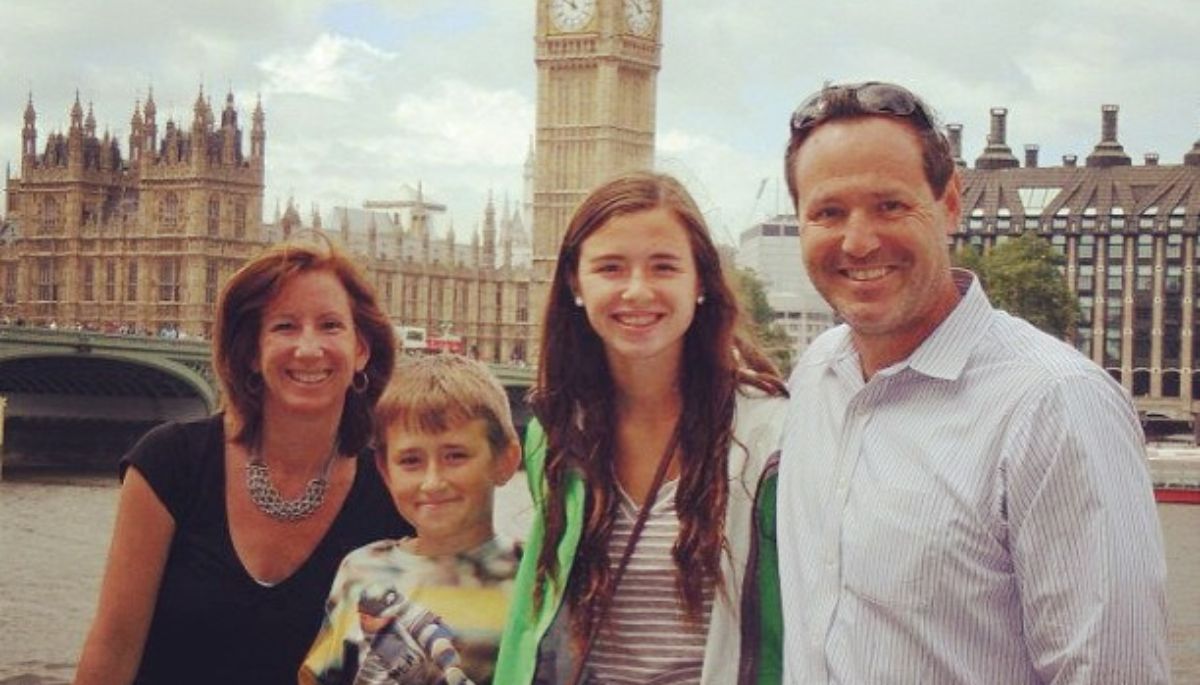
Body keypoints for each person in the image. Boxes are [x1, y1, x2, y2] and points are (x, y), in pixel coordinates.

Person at [777, 81, 1170, 683]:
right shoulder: (815, 376)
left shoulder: (1054, 403)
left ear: (950, 203)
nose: (858, 241)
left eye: (890, 205)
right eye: (828, 212)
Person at [75, 236, 413, 685]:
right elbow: (113, 646)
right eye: (284, 327)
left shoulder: (398, 490)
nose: (308, 348)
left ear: (362, 350)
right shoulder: (171, 463)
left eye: (331, 326)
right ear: (251, 352)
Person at [494, 171, 789, 685]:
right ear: (575, 284)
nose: (637, 290)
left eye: (664, 267)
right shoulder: (560, 431)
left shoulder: (770, 437)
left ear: (700, 283)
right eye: (610, 267)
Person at [299, 354, 523, 684]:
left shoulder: (535, 577)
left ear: (506, 461)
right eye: (411, 461)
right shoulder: (361, 568)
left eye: (455, 456)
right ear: (385, 471)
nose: (432, 482)